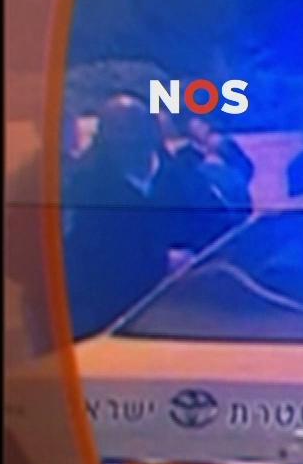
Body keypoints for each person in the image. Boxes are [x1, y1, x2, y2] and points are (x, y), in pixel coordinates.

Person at [61, 93, 237, 337]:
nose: (128, 139)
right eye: (118, 130)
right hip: (118, 320)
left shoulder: (183, 177)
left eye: (135, 128)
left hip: (195, 311)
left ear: (152, 131)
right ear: (103, 137)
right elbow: (86, 261)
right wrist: (159, 263)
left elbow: (221, 230)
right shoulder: (85, 189)